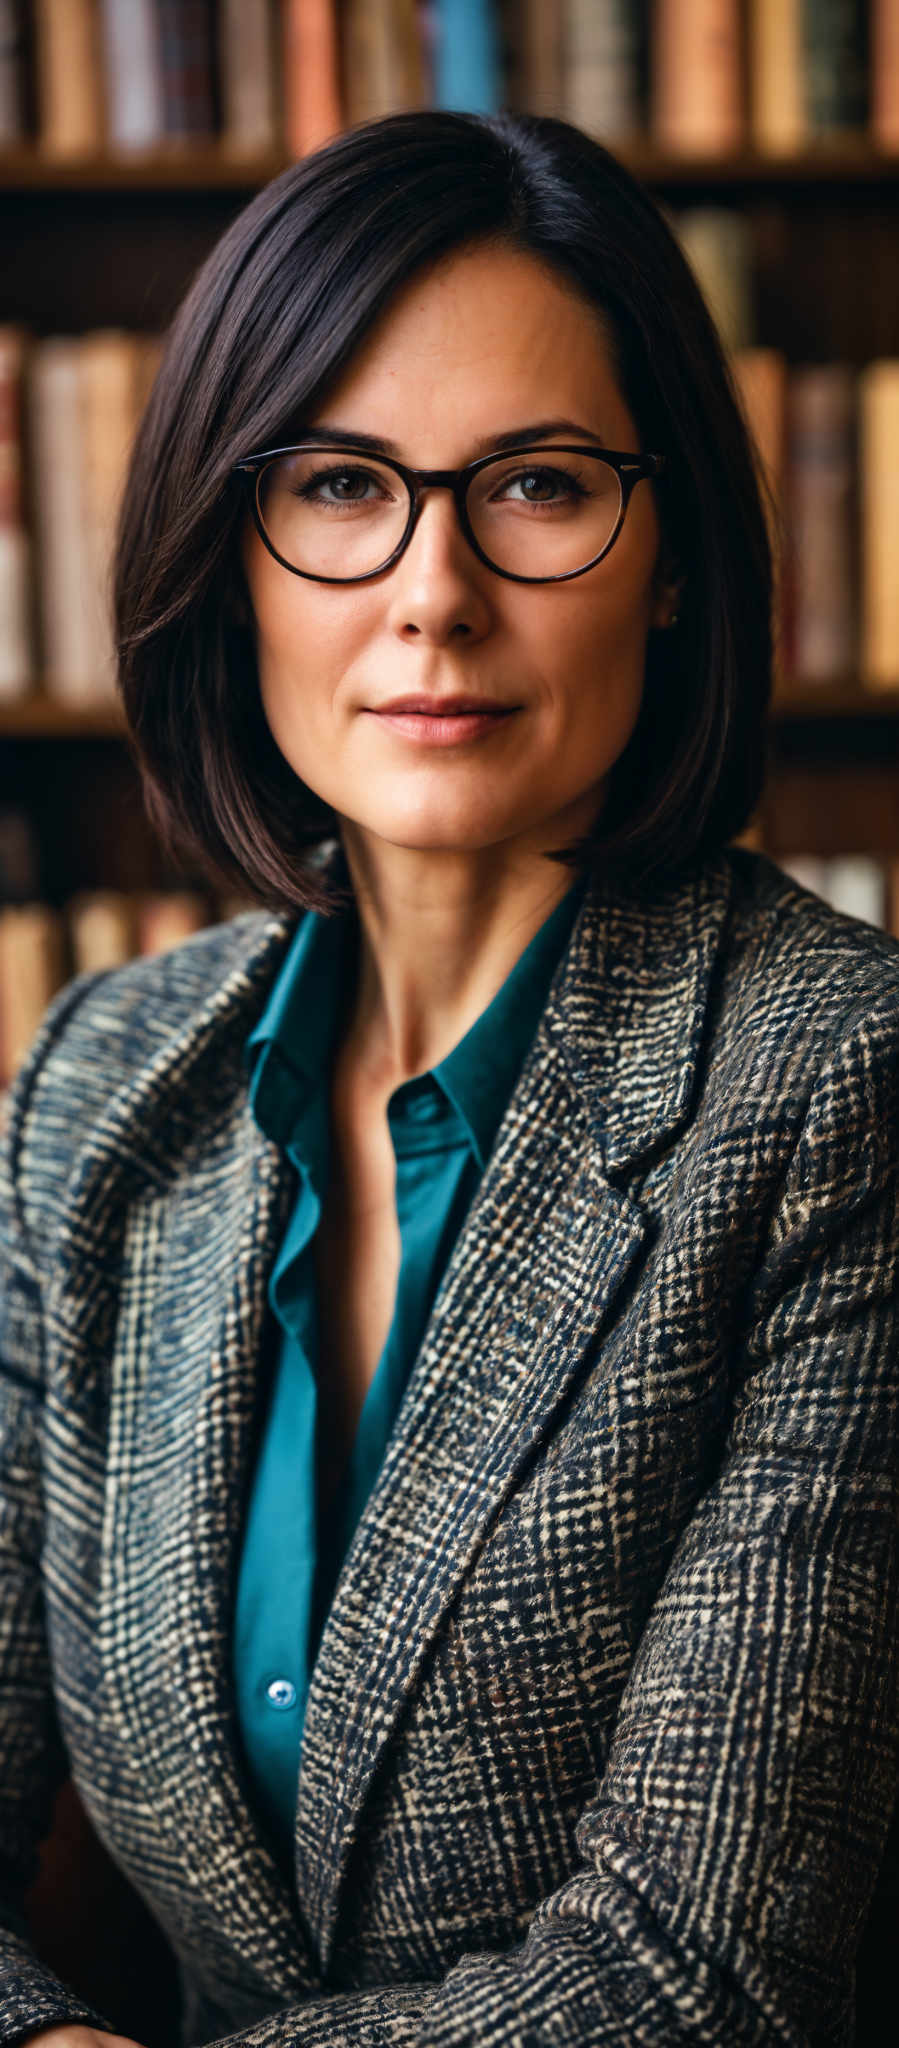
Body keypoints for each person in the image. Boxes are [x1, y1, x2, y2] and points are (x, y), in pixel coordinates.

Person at [1, 107, 897, 2048]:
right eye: (337, 485)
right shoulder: (99, 1086)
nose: (432, 591)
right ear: (227, 554)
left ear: (671, 560)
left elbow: (693, 1981)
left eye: (540, 485)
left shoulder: (843, 1087)